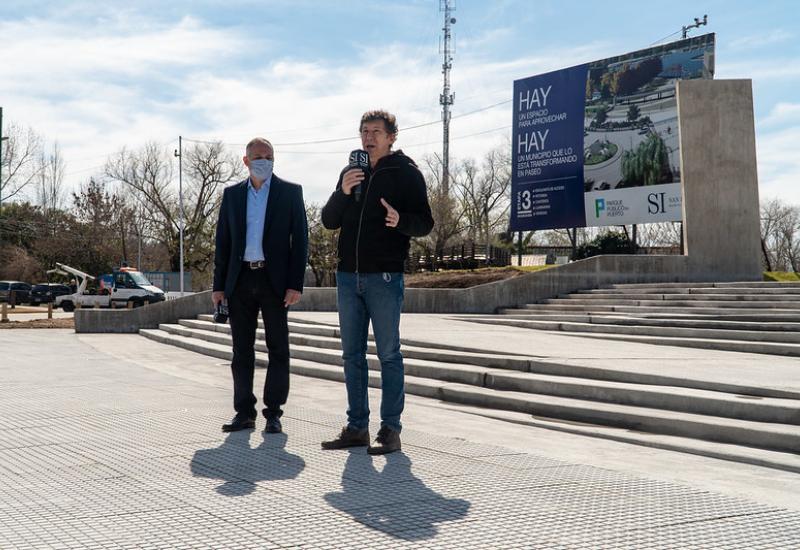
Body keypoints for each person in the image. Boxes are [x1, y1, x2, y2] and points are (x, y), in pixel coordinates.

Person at [320, 110, 434, 455]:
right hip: (347, 277)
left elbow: (425, 223)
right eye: (364, 131)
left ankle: (390, 430)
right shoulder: (350, 172)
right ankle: (357, 428)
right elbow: (328, 220)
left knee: (388, 355)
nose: (368, 137)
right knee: (351, 355)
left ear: (391, 137)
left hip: (384, 276)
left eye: (376, 131)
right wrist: (343, 191)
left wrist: (400, 220)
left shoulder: (406, 173)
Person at [212, 137, 308, 434]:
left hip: (275, 281)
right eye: (258, 157)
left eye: (269, 156)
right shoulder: (232, 195)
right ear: (246, 161)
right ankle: (244, 412)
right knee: (241, 350)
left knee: (278, 348)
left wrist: (295, 284)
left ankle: (274, 413)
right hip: (240, 280)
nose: (263, 161)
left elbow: (300, 242)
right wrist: (218, 286)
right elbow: (223, 242)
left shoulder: (290, 193)